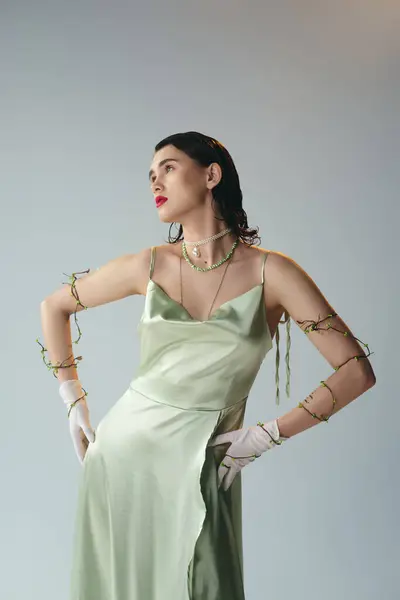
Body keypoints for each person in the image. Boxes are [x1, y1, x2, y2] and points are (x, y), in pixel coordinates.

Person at [38, 131, 376, 600]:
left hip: (205, 464)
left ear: (211, 175)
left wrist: (267, 434)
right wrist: (73, 401)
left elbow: (356, 370)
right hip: (121, 463)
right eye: (151, 174)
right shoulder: (149, 265)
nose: (155, 180)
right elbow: (54, 307)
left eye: (169, 168)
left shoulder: (273, 274)